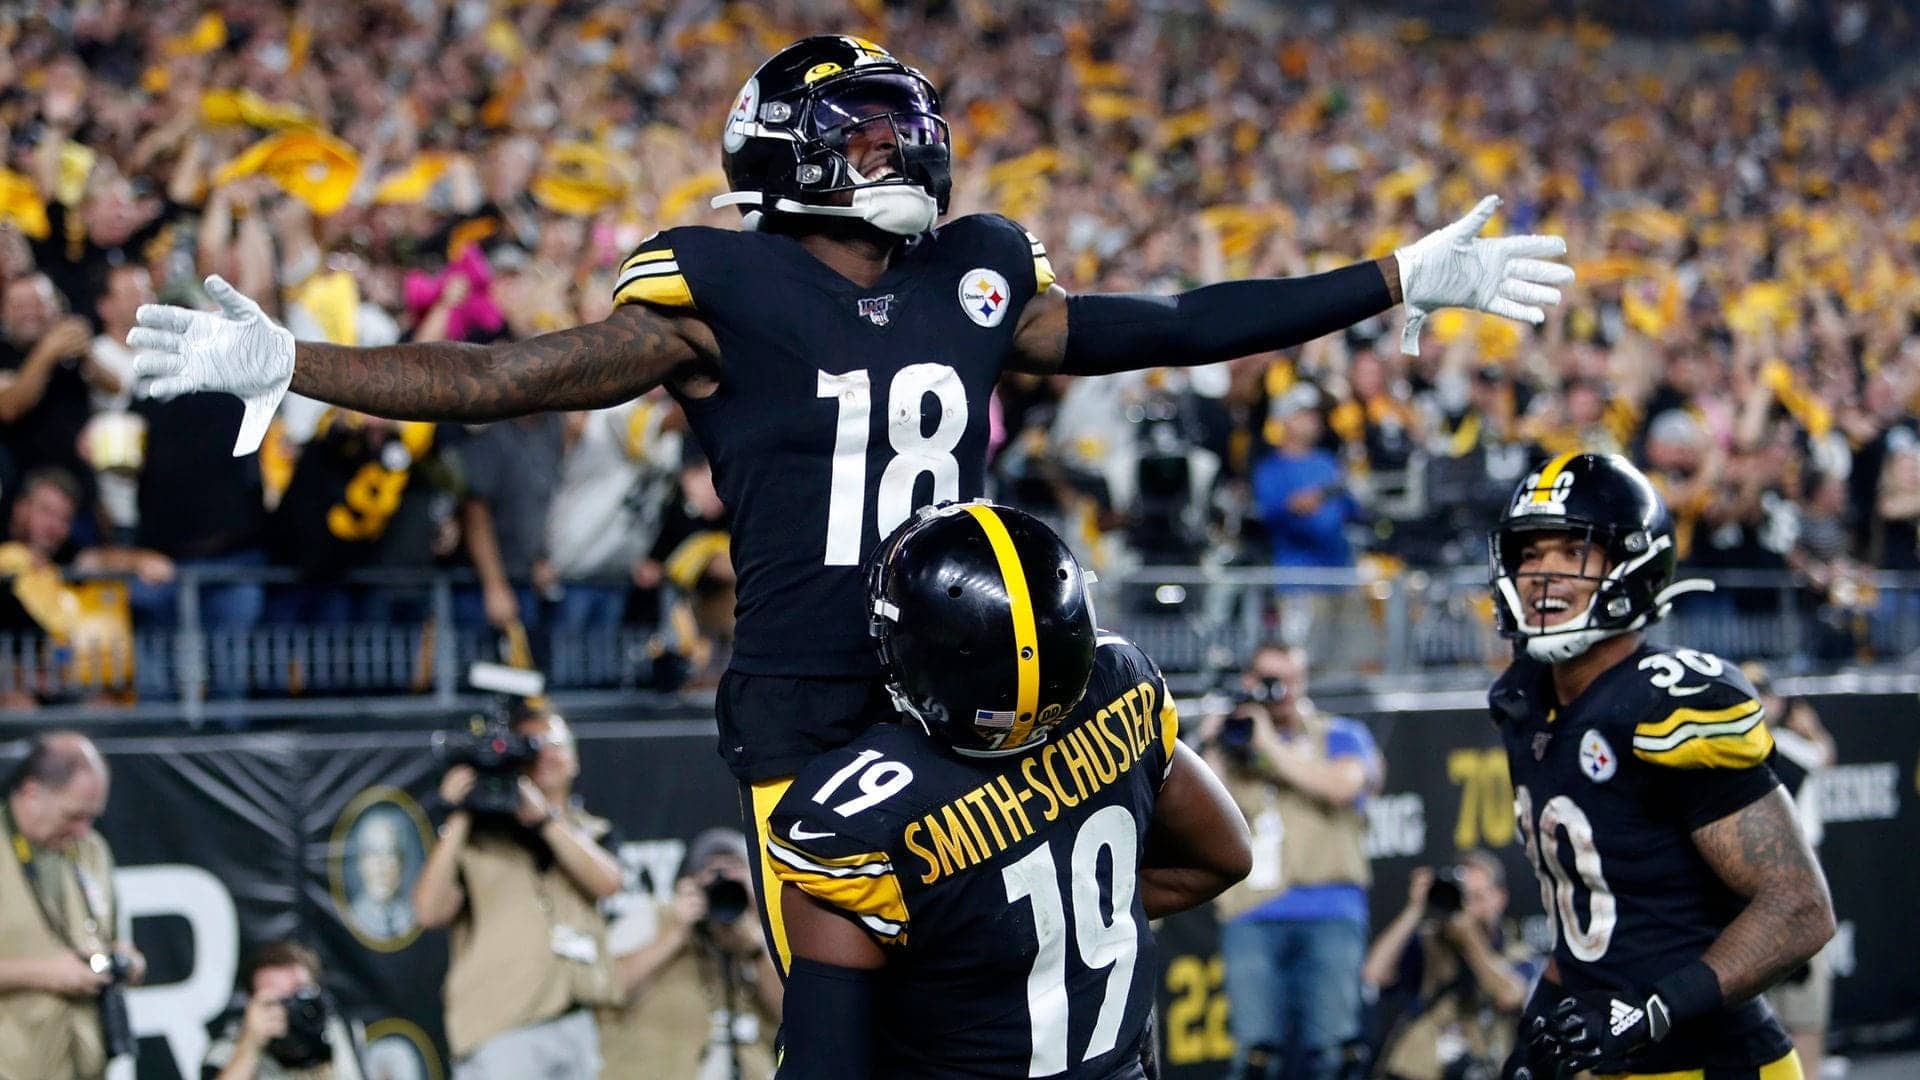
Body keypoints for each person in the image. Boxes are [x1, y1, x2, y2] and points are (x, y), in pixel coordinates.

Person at [128, 35, 1570, 969]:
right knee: (846, 1011)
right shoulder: (722, 283)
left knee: (1007, 974)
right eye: (867, 132)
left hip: (980, 687)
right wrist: (296, 362)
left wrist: (1391, 277)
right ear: (788, 149)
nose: (902, 151)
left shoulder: (978, 268)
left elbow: (1180, 319)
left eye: (905, 126)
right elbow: (517, 375)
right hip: (812, 698)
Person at [768, 501, 1252, 1078]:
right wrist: (1065, 921)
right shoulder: (1121, 690)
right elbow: (1226, 856)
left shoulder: (856, 822)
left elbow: (824, 1066)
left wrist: (1000, 934)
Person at [1484, 452, 1836, 1079]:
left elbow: (1799, 906)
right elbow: (1589, 923)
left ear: (1632, 564)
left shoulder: (1665, 700)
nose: (1543, 574)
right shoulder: (1525, 703)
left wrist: (1648, 1013)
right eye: (1530, 554)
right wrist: (1535, 1035)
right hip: (1610, 1060)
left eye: (1572, 553)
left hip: (1713, 1064)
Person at [1199, 643, 1384, 1080]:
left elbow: (1343, 787)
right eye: (1266, 680)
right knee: (1256, 1056)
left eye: (1287, 680)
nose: (1277, 691)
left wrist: (1268, 747)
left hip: (1330, 909)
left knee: (1334, 1053)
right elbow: (1203, 808)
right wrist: (1214, 743)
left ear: (1303, 682)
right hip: (1252, 914)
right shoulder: (1232, 740)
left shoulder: (1340, 734)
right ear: (1249, 681)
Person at [410, 705, 625, 1078]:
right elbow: (429, 912)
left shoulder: (593, 832)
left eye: (553, 743)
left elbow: (607, 883)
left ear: (574, 757)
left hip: (576, 1020)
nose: (544, 753)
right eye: (530, 744)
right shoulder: (478, 837)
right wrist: (457, 814)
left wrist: (543, 819)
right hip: (501, 1024)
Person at [0, 731, 147, 1080]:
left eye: (92, 817)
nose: (83, 830)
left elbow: (106, 934)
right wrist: (44, 973)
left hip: (84, 1062)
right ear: (32, 793)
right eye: (73, 815)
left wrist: (124, 959)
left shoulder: (92, 850)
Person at [598, 828, 782, 1080]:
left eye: (735, 868)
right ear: (689, 884)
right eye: (710, 871)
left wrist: (754, 949)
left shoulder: (767, 937)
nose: (724, 880)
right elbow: (608, 986)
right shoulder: (654, 918)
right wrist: (676, 932)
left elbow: (794, 1018)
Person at [1362, 854, 1538, 1080]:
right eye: (1464, 898)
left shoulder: (1517, 954)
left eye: (1478, 897)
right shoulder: (1431, 945)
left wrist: (1469, 938)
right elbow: (1374, 973)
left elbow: (1509, 996)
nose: (1470, 909)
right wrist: (1415, 909)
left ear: (1499, 898)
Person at [1746, 663, 1839, 1080]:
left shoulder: (1734, 751)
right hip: (1769, 891)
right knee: (1779, 1012)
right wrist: (1812, 728)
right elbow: (1824, 754)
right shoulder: (1787, 747)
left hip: (1770, 892)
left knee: (1797, 1011)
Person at [203, 939, 367, 1080]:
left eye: (300, 993)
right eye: (277, 999)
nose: (291, 1008)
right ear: (252, 1004)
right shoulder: (227, 1052)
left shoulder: (342, 1031)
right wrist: (250, 1045)